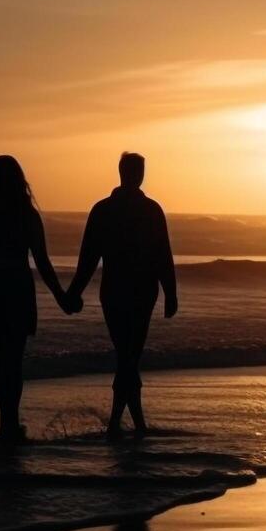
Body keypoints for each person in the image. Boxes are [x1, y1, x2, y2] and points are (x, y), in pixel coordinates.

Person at [64, 152, 178, 437]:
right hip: (133, 291)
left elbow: (161, 254)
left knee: (127, 356)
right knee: (129, 356)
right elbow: (90, 257)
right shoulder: (144, 210)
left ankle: (122, 423)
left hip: (121, 292)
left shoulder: (106, 210)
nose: (138, 174)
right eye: (136, 170)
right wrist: (170, 292)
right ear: (131, 173)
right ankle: (130, 423)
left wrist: (73, 294)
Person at [0, 155, 71, 443]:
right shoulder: (27, 215)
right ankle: (11, 420)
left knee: (1, 362)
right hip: (18, 290)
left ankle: (6, 421)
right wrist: (61, 296)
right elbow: (42, 261)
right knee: (14, 361)